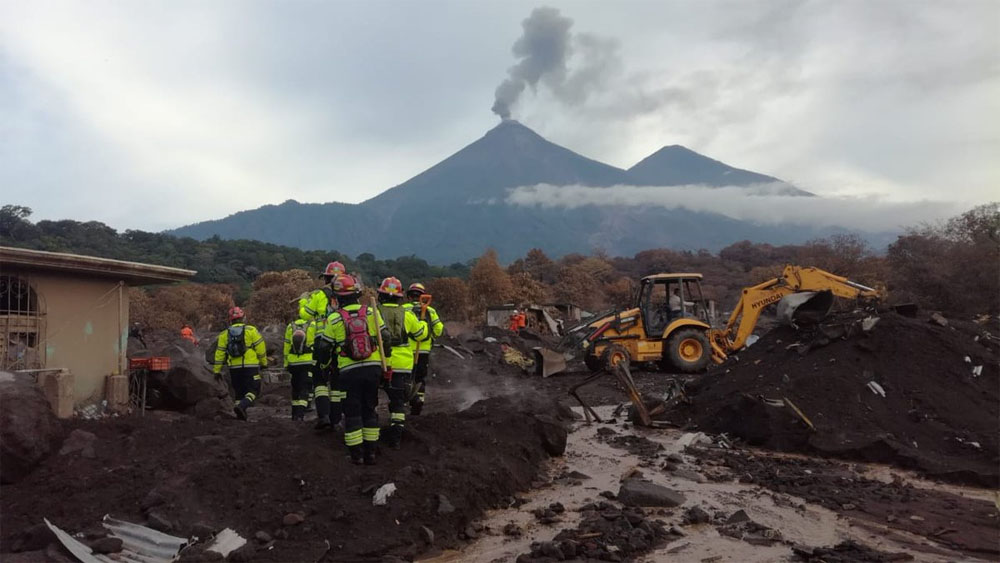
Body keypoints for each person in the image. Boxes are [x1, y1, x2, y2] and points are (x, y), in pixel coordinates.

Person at [315, 274, 390, 465]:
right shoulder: (371, 312)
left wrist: (324, 366)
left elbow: (324, 347)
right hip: (373, 368)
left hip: (349, 371)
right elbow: (386, 338)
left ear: (336, 298)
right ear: (357, 294)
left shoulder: (334, 319)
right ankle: (371, 453)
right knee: (370, 409)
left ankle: (356, 455)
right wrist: (386, 363)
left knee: (352, 412)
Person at [376, 277, 427, 449]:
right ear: (400, 297)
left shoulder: (374, 312)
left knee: (370, 399)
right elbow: (421, 335)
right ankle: (395, 439)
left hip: (378, 362)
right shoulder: (408, 314)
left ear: (381, 295)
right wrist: (423, 323)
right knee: (398, 403)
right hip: (401, 365)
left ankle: (371, 435)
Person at [212, 307, 267, 420]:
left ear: (230, 320)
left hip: (234, 367)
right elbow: (261, 349)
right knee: (254, 390)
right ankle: (242, 406)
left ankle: (240, 417)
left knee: (239, 392)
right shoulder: (251, 330)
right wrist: (264, 363)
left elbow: (220, 353)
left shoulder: (224, 334)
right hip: (250, 366)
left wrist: (216, 370)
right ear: (243, 318)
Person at [403, 282, 443, 415]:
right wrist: (431, 336)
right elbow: (439, 329)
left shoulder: (403, 310)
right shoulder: (430, 310)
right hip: (424, 351)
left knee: (406, 377)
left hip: (407, 350)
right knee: (420, 378)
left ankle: (404, 400)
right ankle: (418, 402)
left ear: (409, 296)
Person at [283, 317, 316, 421]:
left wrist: (286, 363)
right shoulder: (312, 325)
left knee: (296, 388)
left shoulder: (290, 326)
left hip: (293, 362)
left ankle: (294, 415)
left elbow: (286, 346)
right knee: (305, 388)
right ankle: (301, 413)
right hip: (308, 361)